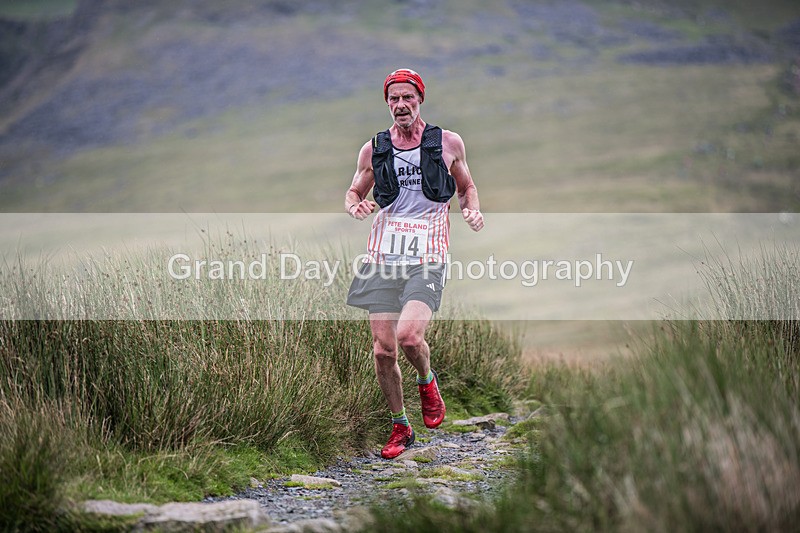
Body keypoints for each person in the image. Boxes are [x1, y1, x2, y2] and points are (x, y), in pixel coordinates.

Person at [344, 68, 484, 459]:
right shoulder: (374, 148)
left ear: (420, 98)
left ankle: (427, 381)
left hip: (427, 255)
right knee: (382, 351)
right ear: (387, 103)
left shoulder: (448, 142)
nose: (401, 105)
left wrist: (472, 211)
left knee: (408, 337)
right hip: (383, 255)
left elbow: (466, 187)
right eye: (394, 99)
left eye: (408, 97)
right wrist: (356, 205)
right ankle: (401, 427)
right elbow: (354, 190)